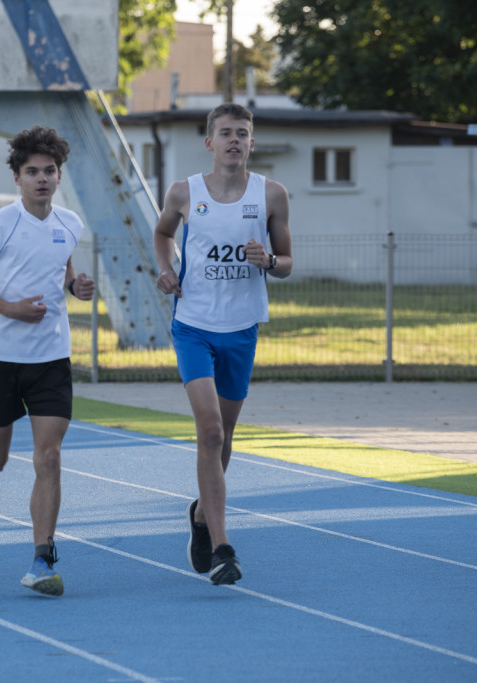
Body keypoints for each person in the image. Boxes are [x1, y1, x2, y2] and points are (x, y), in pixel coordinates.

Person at [0, 125, 95, 596]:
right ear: (17, 177)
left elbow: (65, 273)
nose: (41, 179)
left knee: (49, 456)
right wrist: (11, 309)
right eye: (31, 171)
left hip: (51, 358)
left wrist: (77, 287)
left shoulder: (70, 224)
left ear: (59, 175)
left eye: (49, 171)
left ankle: (42, 557)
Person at [153, 104, 293, 585]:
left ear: (252, 143)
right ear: (209, 142)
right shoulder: (184, 192)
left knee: (225, 438)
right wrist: (166, 269)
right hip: (192, 326)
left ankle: (198, 515)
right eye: (226, 133)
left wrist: (269, 259)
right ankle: (222, 546)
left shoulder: (271, 194)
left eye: (243, 133)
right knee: (209, 431)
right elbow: (161, 233)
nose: (235, 140)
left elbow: (288, 261)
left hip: (241, 330)